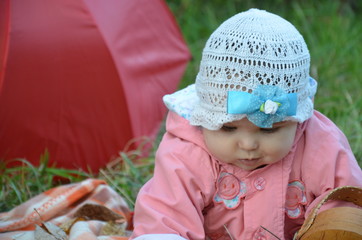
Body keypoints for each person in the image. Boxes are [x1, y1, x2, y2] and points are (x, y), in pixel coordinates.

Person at [130, 8, 362, 240]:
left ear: (296, 121)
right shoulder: (186, 154)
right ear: (205, 118)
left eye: (269, 129)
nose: (248, 144)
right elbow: (166, 218)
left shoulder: (321, 146)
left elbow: (344, 206)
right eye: (228, 128)